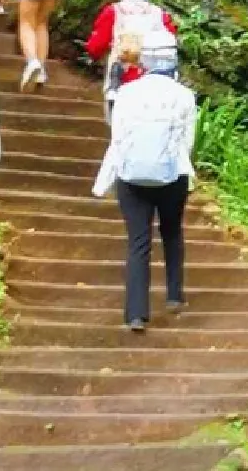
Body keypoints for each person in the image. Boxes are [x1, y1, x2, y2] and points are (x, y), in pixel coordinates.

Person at [92, 42, 197, 333]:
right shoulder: (184, 95)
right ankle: (174, 295)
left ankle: (136, 314)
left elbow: (118, 136)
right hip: (173, 174)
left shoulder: (126, 93)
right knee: (172, 231)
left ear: (144, 62)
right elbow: (187, 142)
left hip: (131, 175)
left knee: (138, 242)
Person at [85, 0, 180, 116]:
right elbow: (171, 41)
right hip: (154, 79)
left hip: (122, 79)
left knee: (119, 119)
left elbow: (96, 45)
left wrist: (94, 55)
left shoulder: (114, 11)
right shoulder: (160, 14)